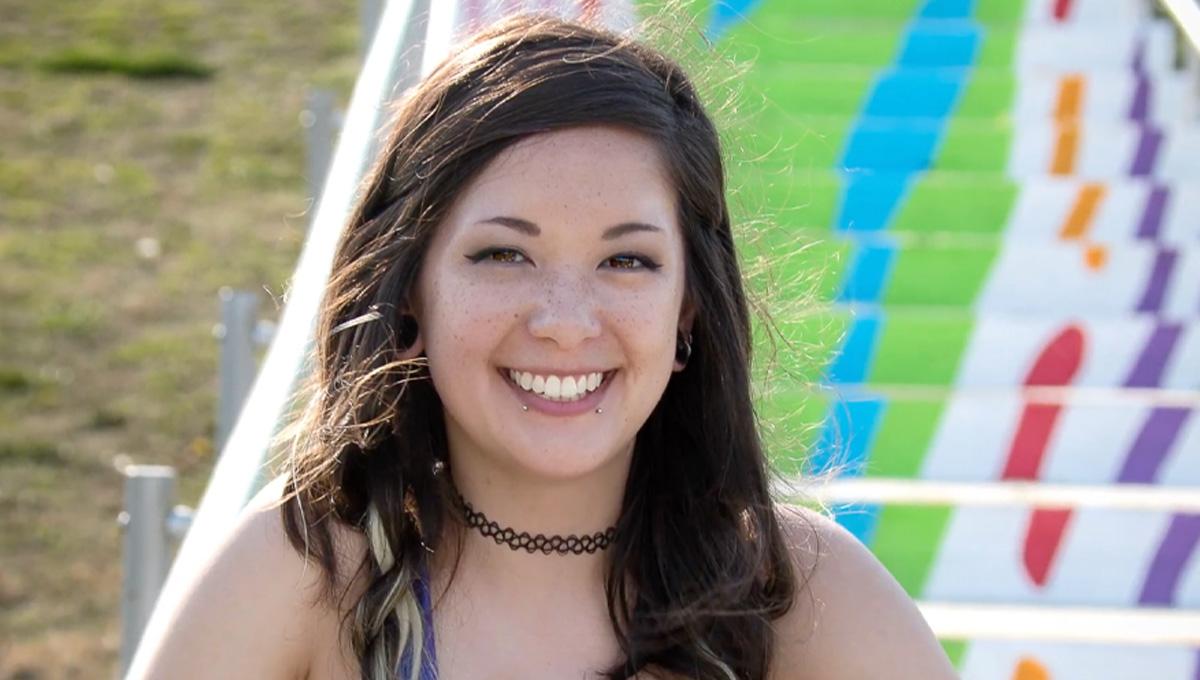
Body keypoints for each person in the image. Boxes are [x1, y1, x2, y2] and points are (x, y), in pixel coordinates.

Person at [133, 12, 958, 680]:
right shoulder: (305, 572)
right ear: (409, 289)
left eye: (626, 260)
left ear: (688, 317)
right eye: (503, 254)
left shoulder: (798, 590)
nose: (565, 320)